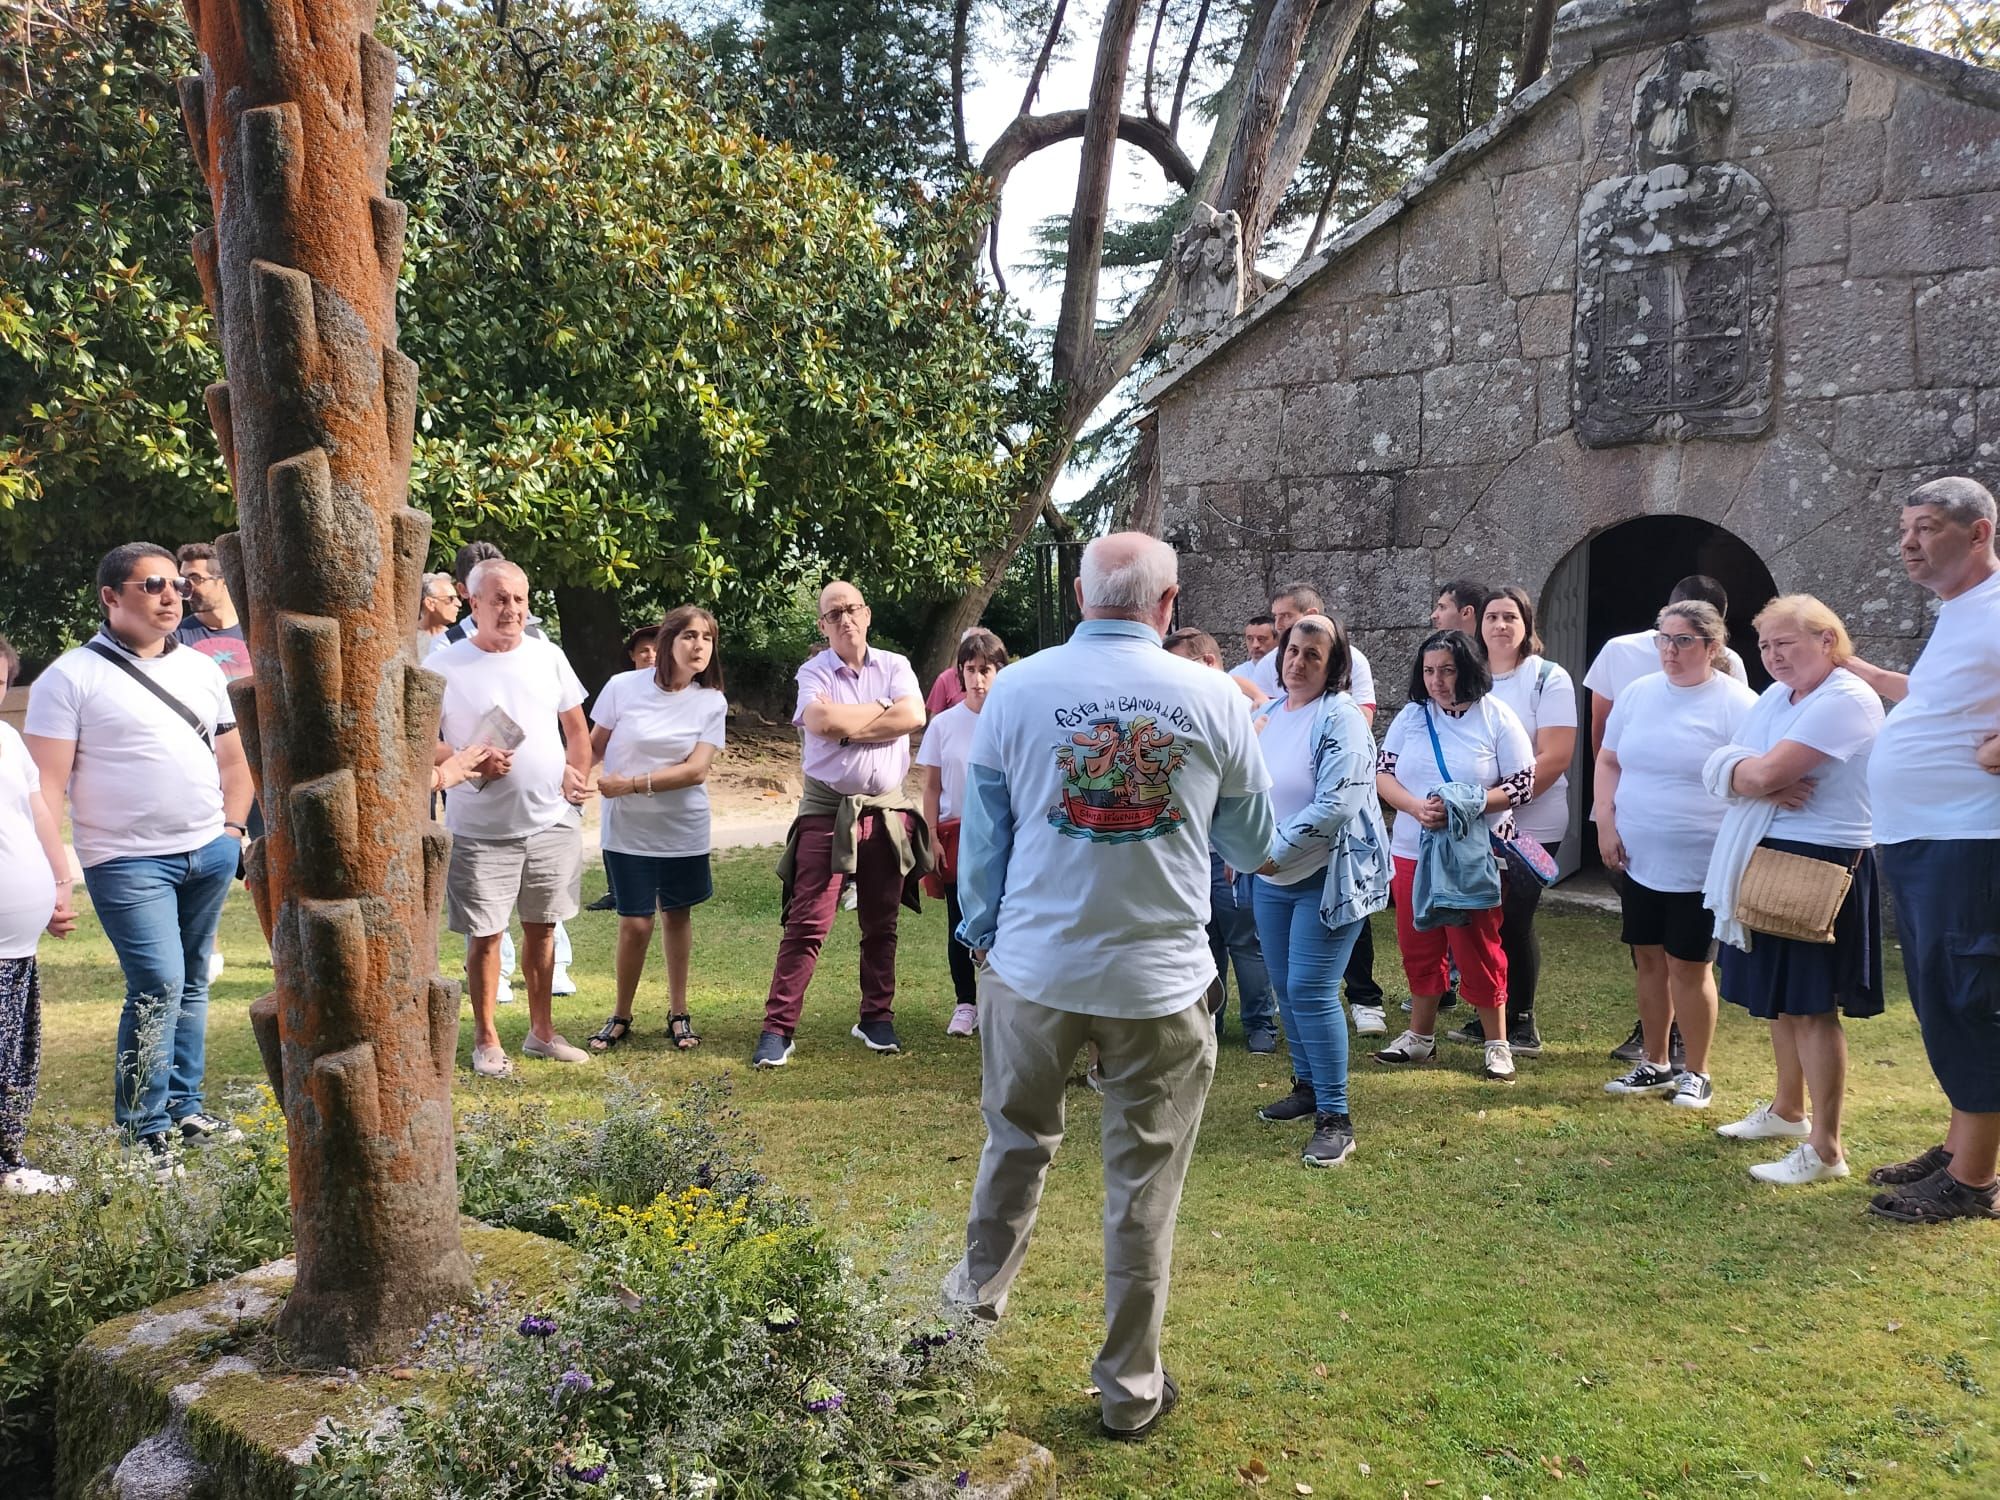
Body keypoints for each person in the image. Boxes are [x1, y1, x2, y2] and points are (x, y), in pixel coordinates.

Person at [945, 532, 1273, 1440]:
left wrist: (983, 937)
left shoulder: (1015, 688)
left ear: (1082, 597)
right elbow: (1252, 846)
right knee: (1143, 1189)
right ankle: (1130, 1389)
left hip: (1035, 967)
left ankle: (960, 1331)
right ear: (1169, 607)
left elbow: (986, 839)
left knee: (1012, 1148)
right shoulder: (1215, 696)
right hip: (1161, 980)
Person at [25, 543, 254, 1171]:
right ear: (110, 597)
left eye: (176, 584)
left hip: (207, 850)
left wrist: (231, 831)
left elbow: (235, 761)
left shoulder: (204, 671)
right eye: (152, 584)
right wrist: (54, 875)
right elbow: (43, 787)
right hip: (126, 861)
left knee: (193, 985)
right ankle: (141, 1128)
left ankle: (184, 1108)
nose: (170, 594)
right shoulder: (70, 677)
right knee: (157, 983)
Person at [1843, 477, 2000, 1223]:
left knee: (1967, 998)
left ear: (1979, 533)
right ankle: (1962, 1140)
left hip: (1969, 840)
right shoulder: (1960, 614)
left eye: (1927, 527)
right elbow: (1942, 702)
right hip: (1924, 838)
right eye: (1905, 528)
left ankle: (1972, 1183)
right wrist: (1859, 671)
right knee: (1941, 996)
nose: (1908, 542)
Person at [1707, 595, 1883, 1185]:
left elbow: (1758, 771)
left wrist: (1754, 777)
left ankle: (1827, 1148)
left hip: (1822, 860)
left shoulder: (1846, 698)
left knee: (1811, 1006)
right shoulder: (1778, 697)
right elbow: (1740, 765)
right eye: (1765, 645)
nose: (1773, 655)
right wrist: (1755, 779)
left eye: (1786, 643)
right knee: (1780, 998)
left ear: (1827, 640)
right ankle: (1788, 1111)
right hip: (1768, 849)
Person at [753, 580, 929, 1068]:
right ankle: (778, 1028)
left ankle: (876, 1017)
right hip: (826, 811)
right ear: (822, 625)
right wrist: (877, 713)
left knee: (881, 922)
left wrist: (849, 729)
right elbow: (821, 722)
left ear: (867, 614)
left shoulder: (895, 665)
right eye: (834, 614)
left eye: (852, 609)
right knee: (807, 922)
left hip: (886, 810)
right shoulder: (813, 671)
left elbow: (913, 714)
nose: (845, 619)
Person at [430, 558, 593, 1077]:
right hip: (480, 829)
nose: (512, 609)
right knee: (486, 935)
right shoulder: (443, 667)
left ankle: (542, 1032)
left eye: (520, 599)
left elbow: (577, 729)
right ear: (472, 602)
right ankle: (486, 1039)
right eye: (499, 599)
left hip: (551, 823)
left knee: (543, 930)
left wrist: (576, 774)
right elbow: (422, 742)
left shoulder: (548, 657)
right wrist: (462, 758)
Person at [1596, 600, 1758, 1109]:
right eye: (1662, 638)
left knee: (1689, 964)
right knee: (1647, 958)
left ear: (1712, 647)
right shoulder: (1640, 694)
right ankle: (1656, 1060)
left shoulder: (1738, 703)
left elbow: (1756, 773)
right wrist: (1605, 822)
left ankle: (1698, 1070)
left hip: (1703, 859)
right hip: (1639, 851)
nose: (1669, 650)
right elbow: (1609, 759)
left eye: (1682, 640)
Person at [1247, 615, 1389, 1165]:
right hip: (1271, 879)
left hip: (1329, 878)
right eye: (1292, 650)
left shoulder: (1342, 717)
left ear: (1334, 666)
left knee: (1310, 990)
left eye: (1313, 654)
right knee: (1287, 990)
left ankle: (1336, 1116)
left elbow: (1338, 803)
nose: (1298, 661)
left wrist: (1270, 851)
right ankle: (1306, 1088)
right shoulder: (1267, 714)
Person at [1372, 630, 1534, 1082]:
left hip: (1469, 854)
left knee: (1477, 944)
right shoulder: (1411, 716)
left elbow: (1522, 784)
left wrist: (1470, 804)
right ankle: (1420, 1037)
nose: (1437, 681)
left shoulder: (1495, 716)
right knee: (1418, 943)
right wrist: (1414, 807)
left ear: (1467, 669)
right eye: (1428, 671)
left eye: (1446, 670)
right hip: (1412, 851)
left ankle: (1497, 1043)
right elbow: (1383, 774)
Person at [585, 606, 726, 1053]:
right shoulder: (622, 687)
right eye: (688, 636)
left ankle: (679, 1012)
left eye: (706, 637)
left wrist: (628, 784)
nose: (699, 645)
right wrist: (568, 783)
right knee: (635, 924)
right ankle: (621, 1013)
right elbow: (591, 749)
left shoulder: (711, 700)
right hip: (627, 831)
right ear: (668, 642)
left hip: (683, 828)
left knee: (677, 916)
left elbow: (696, 770)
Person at [1447, 586, 1575, 1058]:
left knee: (1515, 919)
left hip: (1532, 823)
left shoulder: (1547, 679)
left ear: (1527, 625)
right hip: (1478, 819)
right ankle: (1490, 1010)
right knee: (1484, 918)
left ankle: (1521, 1019)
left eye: (1510, 617)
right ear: (1478, 625)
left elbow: (1556, 756)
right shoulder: (1469, 676)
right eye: (1492, 617)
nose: (1500, 626)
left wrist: (1503, 802)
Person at [1164, 628, 1277, 1051]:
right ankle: (1210, 1021)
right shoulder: (1182, 710)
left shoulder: (1241, 712)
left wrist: (1238, 851)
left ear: (1208, 664)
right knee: (1205, 941)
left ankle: (1259, 1025)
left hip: (1228, 854)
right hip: (1192, 853)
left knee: (1244, 941)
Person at [0, 635, 80, 1194]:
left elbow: (40, 819)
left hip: (19, 943)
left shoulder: (7, 739)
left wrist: (59, 884)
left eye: (0, 679)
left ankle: (7, 1162)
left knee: (17, 1061)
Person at [916, 629, 1008, 1038]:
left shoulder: (1011, 720)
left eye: (985, 669)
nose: (978, 679)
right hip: (957, 835)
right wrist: (931, 834)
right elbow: (932, 786)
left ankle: (1001, 1000)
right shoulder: (944, 724)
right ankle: (965, 1002)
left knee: (1007, 919)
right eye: (970, 670)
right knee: (960, 917)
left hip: (1004, 836)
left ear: (1000, 671)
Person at [172, 544, 250, 680]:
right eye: (184, 580)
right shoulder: (175, 637)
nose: (186, 588)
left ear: (224, 580)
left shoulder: (255, 629)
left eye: (195, 579)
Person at [418, 571, 460, 659]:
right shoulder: (409, 638)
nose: (459, 604)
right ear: (430, 603)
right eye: (451, 598)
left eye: (457, 598)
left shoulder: (458, 639)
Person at [1230, 613, 1277, 683]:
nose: (1255, 645)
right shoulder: (1237, 675)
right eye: (1250, 639)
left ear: (1277, 640)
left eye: (1261, 639)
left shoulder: (1287, 672)